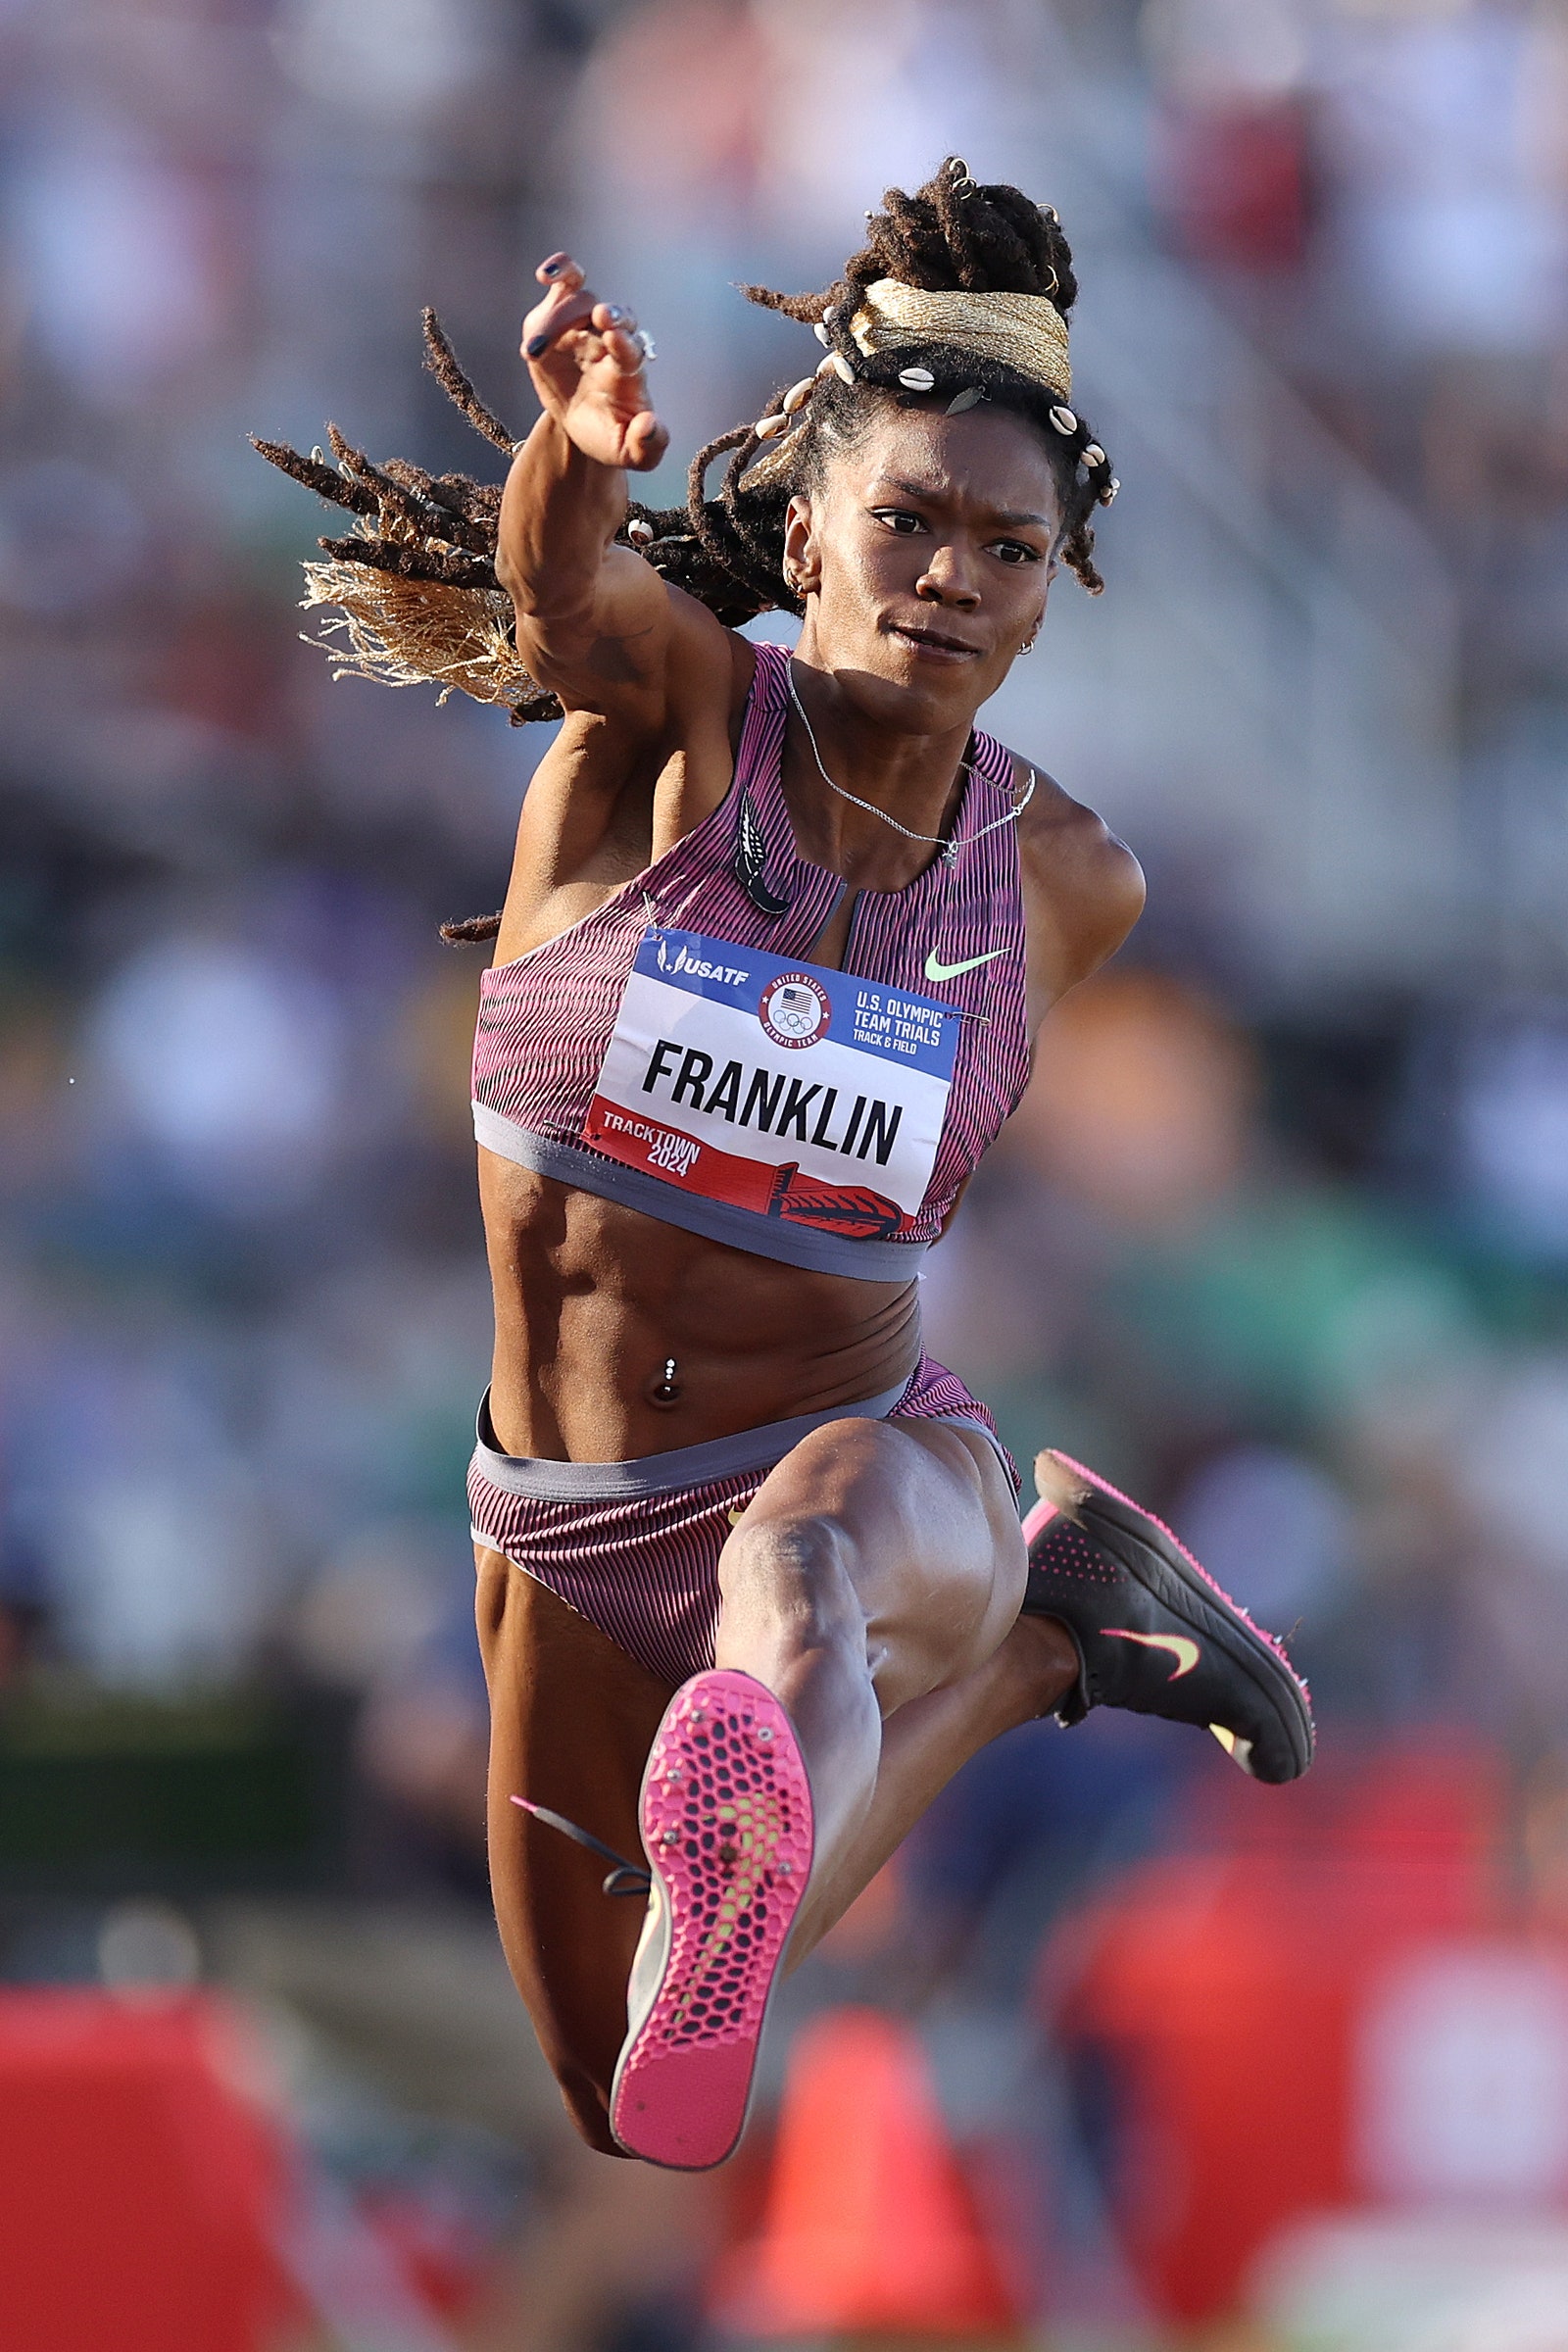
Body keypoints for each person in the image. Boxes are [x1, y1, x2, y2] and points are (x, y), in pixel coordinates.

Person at [255, 160, 1312, 2173]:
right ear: (804, 523)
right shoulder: (671, 724)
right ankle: (1037, 1647)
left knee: (797, 1573)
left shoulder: (1069, 881)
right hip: (557, 1500)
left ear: (1052, 582)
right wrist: (571, 448)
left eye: (1007, 546)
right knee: (623, 2094)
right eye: (905, 521)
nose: (949, 576)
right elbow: (567, 597)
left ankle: (951, 1591)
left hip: (857, 1444)